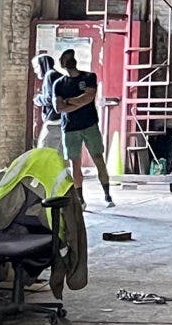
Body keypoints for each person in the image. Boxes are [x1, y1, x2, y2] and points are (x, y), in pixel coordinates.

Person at [50, 48, 114, 208]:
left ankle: (107, 195)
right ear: (62, 64)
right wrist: (78, 102)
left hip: (89, 125)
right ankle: (81, 200)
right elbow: (59, 108)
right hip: (70, 128)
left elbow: (89, 97)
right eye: (65, 59)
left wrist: (69, 102)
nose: (68, 61)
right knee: (75, 164)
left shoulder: (89, 77)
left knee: (98, 159)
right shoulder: (59, 84)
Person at [33, 52, 61, 149]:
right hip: (61, 118)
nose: (35, 71)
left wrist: (38, 99)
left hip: (54, 119)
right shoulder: (57, 75)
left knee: (43, 146)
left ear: (42, 64)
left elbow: (49, 99)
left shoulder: (50, 76)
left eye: (36, 67)